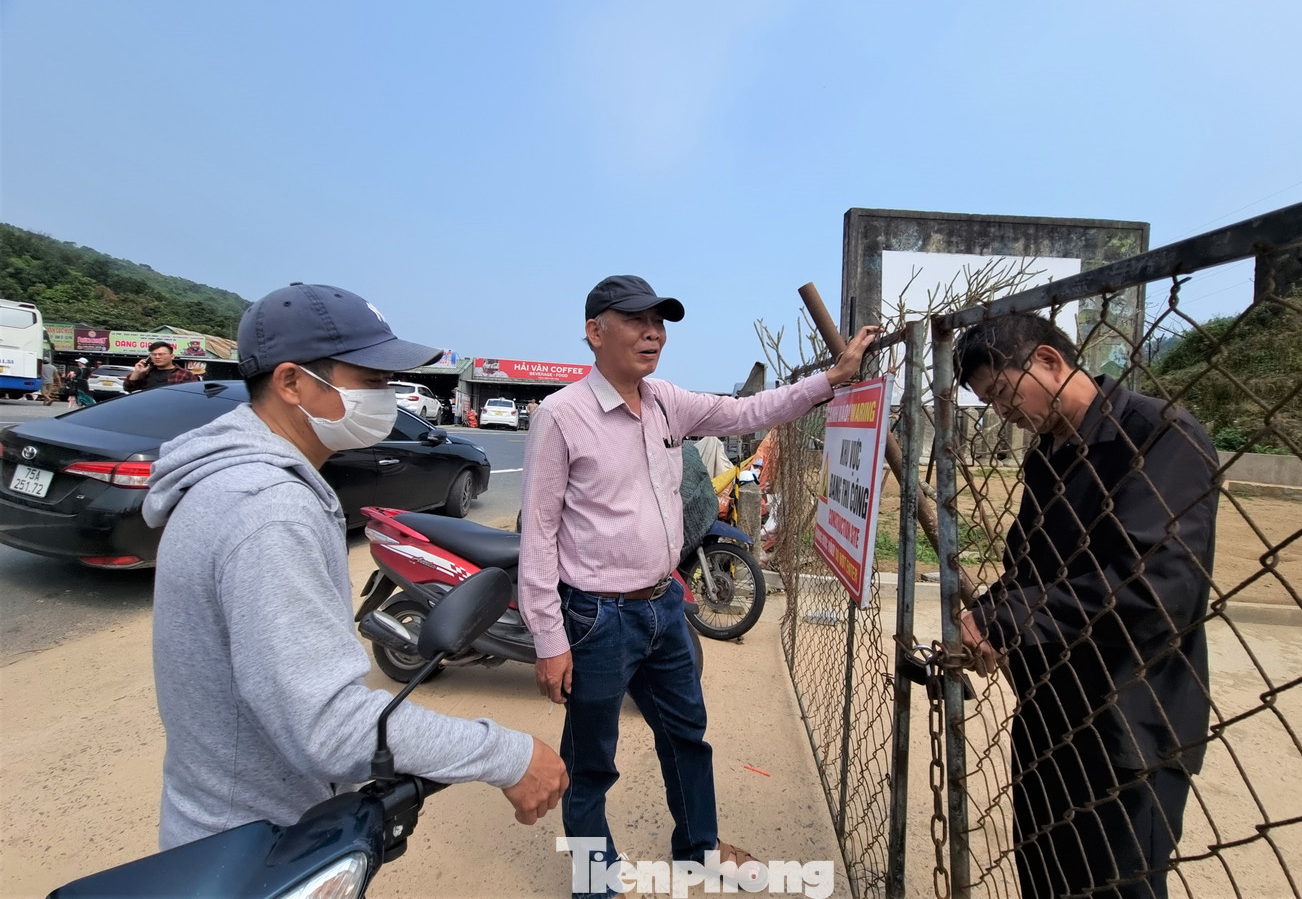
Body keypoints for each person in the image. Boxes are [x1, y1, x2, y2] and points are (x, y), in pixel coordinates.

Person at [143, 282, 568, 849]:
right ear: (291, 382)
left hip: (244, 825)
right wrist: (506, 755)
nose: (387, 398)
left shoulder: (249, 486)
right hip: (251, 845)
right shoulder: (269, 511)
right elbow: (329, 726)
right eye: (370, 381)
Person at [518, 274, 877, 895]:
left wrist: (832, 379)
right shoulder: (562, 416)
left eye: (658, 322)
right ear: (595, 331)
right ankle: (594, 878)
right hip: (596, 618)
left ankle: (698, 849)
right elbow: (539, 535)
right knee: (590, 760)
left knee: (687, 736)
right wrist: (549, 638)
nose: (652, 333)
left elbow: (747, 412)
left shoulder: (666, 402)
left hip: (664, 606)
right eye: (635, 321)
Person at [954, 313, 1217, 899]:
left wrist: (1005, 618)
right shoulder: (1047, 454)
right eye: (989, 402)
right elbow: (1030, 569)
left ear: (1049, 361)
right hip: (1049, 711)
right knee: (1045, 876)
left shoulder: (1157, 434)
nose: (1001, 412)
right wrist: (988, 616)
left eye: (1003, 392)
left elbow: (1154, 587)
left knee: (1114, 884)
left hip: (1127, 719)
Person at [124, 341, 199, 391]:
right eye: (154, 354)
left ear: (172, 356)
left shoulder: (184, 374)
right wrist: (137, 372)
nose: (157, 357)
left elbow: (192, 395)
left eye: (161, 354)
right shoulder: (148, 373)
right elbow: (128, 388)